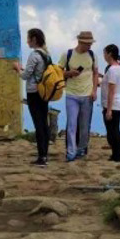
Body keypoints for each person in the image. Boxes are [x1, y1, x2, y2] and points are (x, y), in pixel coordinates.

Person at [13, 28, 52, 167]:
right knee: (44, 122)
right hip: (44, 92)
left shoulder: (34, 55)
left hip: (33, 93)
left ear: (34, 39)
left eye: (29, 38)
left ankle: (41, 156)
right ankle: (45, 154)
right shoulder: (47, 54)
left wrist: (18, 69)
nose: (27, 41)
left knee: (38, 124)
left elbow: (25, 76)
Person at [61, 32, 98, 162]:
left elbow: (95, 73)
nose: (89, 46)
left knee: (84, 125)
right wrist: (69, 73)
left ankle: (81, 149)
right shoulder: (68, 54)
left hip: (87, 94)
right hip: (71, 94)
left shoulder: (92, 55)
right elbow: (58, 72)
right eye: (87, 44)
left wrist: (94, 91)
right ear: (80, 42)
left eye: (90, 43)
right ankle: (71, 152)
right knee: (71, 124)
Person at [100, 44, 120, 162]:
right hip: (117, 102)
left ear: (110, 54)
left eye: (105, 53)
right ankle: (119, 153)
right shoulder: (119, 68)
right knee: (115, 129)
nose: (104, 56)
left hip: (112, 103)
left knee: (113, 131)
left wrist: (109, 109)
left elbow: (111, 90)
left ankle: (118, 154)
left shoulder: (112, 70)